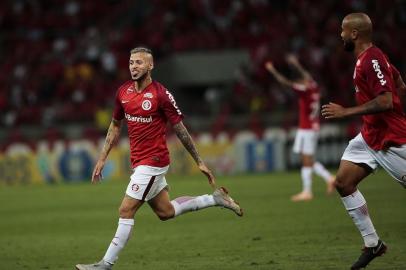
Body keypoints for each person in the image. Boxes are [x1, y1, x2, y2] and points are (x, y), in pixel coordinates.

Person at [75, 47, 243, 270]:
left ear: (150, 66)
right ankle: (215, 199)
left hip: (154, 162)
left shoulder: (161, 94)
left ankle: (105, 264)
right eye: (131, 62)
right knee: (166, 212)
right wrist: (102, 158)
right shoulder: (123, 92)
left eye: (139, 63)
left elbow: (181, 130)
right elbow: (115, 125)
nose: (134, 67)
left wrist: (199, 160)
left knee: (125, 210)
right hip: (140, 162)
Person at [321, 13, 406, 270]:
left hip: (391, 140)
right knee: (344, 182)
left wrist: (345, 112)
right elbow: (400, 84)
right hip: (370, 136)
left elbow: (386, 100)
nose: (341, 35)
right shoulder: (369, 60)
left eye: (343, 31)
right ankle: (373, 244)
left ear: (355, 34)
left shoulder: (372, 60)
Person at [265, 55, 335, 202]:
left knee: (306, 160)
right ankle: (329, 178)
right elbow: (306, 75)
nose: (300, 81)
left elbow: (285, 83)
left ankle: (307, 191)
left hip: (307, 129)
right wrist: (296, 63)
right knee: (308, 160)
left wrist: (272, 71)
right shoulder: (314, 87)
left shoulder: (304, 91)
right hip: (310, 128)